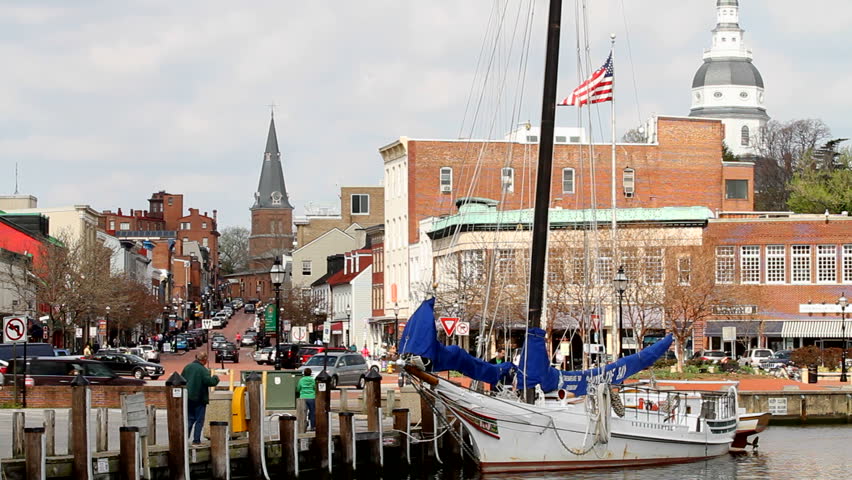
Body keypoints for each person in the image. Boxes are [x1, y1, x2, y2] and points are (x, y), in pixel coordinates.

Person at [181, 351, 220, 445]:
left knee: (189, 419)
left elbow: (181, 379)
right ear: (204, 360)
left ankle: (184, 439)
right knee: (199, 420)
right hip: (199, 398)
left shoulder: (187, 367)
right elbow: (210, 382)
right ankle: (196, 440)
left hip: (187, 398)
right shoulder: (203, 370)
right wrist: (215, 377)